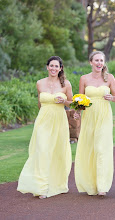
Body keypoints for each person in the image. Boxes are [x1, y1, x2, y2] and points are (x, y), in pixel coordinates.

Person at [17, 56, 73, 199]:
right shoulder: (40, 83)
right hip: (43, 121)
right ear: (47, 67)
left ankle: (58, 184)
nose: (54, 68)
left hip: (59, 120)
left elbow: (72, 103)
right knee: (42, 150)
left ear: (60, 68)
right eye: (51, 66)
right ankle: (41, 187)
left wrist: (64, 101)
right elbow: (40, 103)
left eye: (56, 66)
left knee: (57, 151)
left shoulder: (66, 84)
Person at [74, 51, 115, 196]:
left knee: (101, 148)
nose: (100, 63)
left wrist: (112, 97)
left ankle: (102, 186)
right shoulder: (84, 79)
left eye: (102, 60)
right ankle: (90, 183)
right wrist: (77, 112)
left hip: (104, 115)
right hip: (89, 116)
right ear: (91, 62)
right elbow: (80, 100)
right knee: (90, 148)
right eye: (97, 60)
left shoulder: (109, 78)